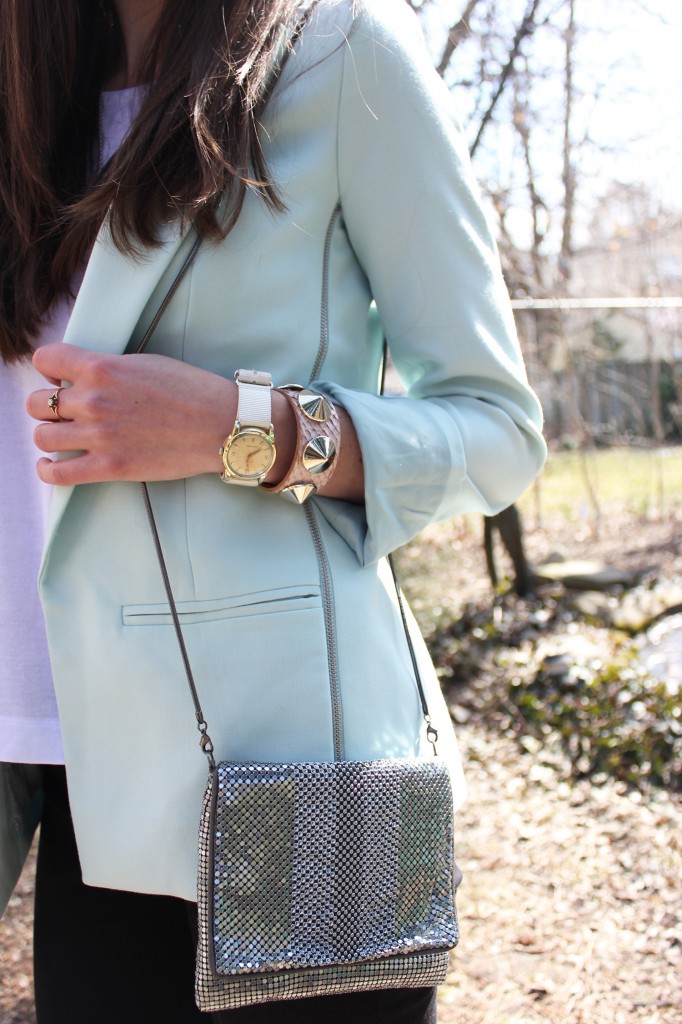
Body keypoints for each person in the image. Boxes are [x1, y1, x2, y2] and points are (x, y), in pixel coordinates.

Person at [0, 0, 546, 1021]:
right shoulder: (22, 87)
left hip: (295, 767)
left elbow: (495, 432)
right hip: (50, 763)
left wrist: (245, 429)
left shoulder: (340, 55)